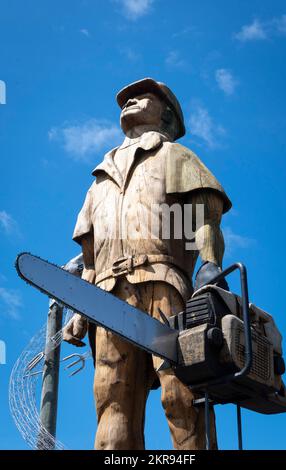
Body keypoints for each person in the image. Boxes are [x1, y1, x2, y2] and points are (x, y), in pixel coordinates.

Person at [63, 78, 231, 450]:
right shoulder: (99, 179)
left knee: (181, 393)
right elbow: (90, 255)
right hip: (106, 295)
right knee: (111, 398)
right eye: (125, 98)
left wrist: (210, 265)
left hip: (164, 282)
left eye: (143, 96)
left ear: (167, 112)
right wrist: (81, 305)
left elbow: (205, 217)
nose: (130, 100)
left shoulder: (175, 156)